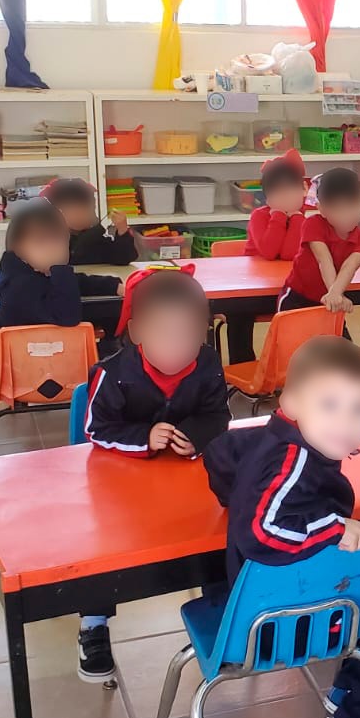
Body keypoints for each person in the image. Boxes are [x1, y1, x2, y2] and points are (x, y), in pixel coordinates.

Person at [204, 337, 360, 718]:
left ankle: (351, 692)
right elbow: (261, 533)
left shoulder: (275, 437)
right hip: (281, 618)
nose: (345, 423)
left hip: (277, 595)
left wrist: (235, 492)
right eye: (329, 405)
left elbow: (219, 454)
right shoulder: (294, 460)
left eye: (359, 409)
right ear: (290, 403)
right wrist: (335, 528)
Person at [76, 267, 230, 679]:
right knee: (102, 547)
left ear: (204, 333)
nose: (177, 348)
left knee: (220, 528)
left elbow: (217, 415)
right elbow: (96, 429)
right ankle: (93, 624)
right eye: (165, 336)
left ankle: (223, 610)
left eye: (188, 337)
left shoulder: (208, 364)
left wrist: (195, 438)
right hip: (119, 481)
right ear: (137, 332)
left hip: (183, 480)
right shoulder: (113, 373)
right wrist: (144, 438)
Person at [0, 198, 123, 347]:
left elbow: (76, 282)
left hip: (51, 350)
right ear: (17, 248)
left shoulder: (36, 270)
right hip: (26, 357)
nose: (52, 249)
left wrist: (113, 286)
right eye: (40, 242)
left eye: (59, 240)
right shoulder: (18, 285)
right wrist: (60, 269)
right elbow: (68, 316)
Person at [226, 151, 309, 364]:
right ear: (267, 198)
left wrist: (297, 218)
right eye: (277, 194)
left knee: (314, 308)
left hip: (289, 292)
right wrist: (279, 215)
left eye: (290, 191)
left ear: (304, 189)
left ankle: (296, 364)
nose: (285, 198)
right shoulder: (259, 216)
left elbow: (290, 253)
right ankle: (242, 365)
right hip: (257, 292)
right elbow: (270, 252)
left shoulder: (307, 219)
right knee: (237, 311)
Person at [280, 167, 360, 315]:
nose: (345, 215)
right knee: (293, 330)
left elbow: (350, 265)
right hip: (297, 297)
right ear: (321, 209)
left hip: (330, 299)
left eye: (351, 206)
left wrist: (335, 293)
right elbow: (323, 259)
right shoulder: (313, 224)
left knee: (336, 331)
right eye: (337, 209)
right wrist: (335, 294)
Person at [43, 177, 138, 266]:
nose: (78, 217)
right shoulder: (50, 240)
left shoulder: (98, 238)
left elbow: (123, 259)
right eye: (71, 212)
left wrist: (122, 230)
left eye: (84, 211)